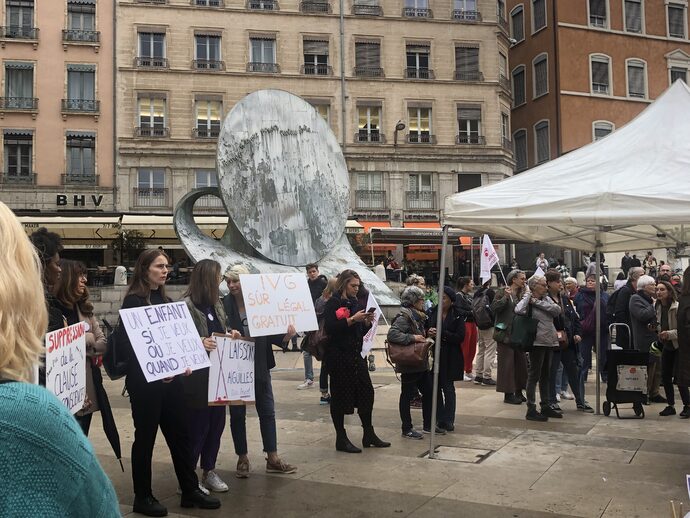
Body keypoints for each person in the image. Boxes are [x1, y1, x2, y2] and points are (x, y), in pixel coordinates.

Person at [0, 202, 120, 517]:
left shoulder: (79, 310)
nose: (58, 268)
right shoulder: (26, 411)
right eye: (54, 262)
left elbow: (99, 343)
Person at [121, 249, 221, 516]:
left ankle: (189, 489)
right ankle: (143, 496)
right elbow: (132, 346)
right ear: (145, 270)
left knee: (181, 435)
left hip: (171, 381)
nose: (165, 271)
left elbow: (173, 341)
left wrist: (182, 361)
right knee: (145, 439)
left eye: (167, 267)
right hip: (145, 384)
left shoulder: (164, 300)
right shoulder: (132, 302)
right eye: (159, 266)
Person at [222, 265, 298, 474]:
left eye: (235, 281)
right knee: (237, 414)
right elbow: (218, 332)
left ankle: (272, 457)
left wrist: (286, 336)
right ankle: (242, 458)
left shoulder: (261, 302)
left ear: (246, 282)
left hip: (260, 364)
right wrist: (228, 334)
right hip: (236, 366)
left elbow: (272, 333)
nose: (231, 285)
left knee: (267, 410)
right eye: (228, 281)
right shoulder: (223, 304)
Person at [324, 269, 389, 452]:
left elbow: (358, 332)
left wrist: (365, 323)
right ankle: (341, 437)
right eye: (353, 285)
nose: (356, 289)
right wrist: (353, 319)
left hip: (355, 356)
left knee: (366, 392)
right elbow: (331, 327)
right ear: (344, 284)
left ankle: (368, 432)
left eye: (358, 286)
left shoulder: (354, 301)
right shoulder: (333, 302)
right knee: (339, 397)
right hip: (338, 357)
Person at [182, 259, 232, 493]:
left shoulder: (217, 304)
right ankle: (188, 477)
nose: (220, 282)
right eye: (218, 278)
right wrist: (199, 342)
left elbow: (223, 328)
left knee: (216, 425)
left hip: (219, 375)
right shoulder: (186, 306)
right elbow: (179, 340)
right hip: (197, 379)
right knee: (197, 426)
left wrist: (231, 333)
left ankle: (209, 470)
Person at [53, 260, 110, 435]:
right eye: (79, 275)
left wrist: (80, 346)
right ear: (67, 279)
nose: (84, 280)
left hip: (85, 392)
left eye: (85, 275)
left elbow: (103, 343)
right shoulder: (50, 311)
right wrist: (83, 339)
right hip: (57, 395)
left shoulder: (85, 311)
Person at [388, 286, 441, 438]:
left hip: (420, 362)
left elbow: (416, 333)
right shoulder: (404, 316)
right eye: (421, 299)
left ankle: (428, 424)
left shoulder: (417, 316)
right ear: (413, 301)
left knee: (429, 392)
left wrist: (425, 333)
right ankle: (406, 428)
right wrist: (412, 338)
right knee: (407, 395)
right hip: (410, 363)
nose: (423, 302)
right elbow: (393, 334)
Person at [515, 275, 562, 421]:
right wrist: (529, 297)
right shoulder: (528, 298)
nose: (546, 287)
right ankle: (531, 407)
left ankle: (545, 405)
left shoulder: (545, 298)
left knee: (546, 374)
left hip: (550, 340)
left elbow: (556, 310)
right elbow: (518, 309)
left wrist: (537, 303)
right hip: (536, 341)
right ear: (534, 286)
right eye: (543, 285)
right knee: (534, 374)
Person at [544, 270, 593, 414]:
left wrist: (578, 333)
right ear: (549, 283)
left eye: (561, 281)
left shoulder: (564, 299)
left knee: (574, 371)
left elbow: (575, 318)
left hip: (569, 342)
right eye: (557, 281)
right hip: (552, 343)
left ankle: (581, 400)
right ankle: (552, 401)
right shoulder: (545, 300)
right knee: (552, 372)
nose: (560, 284)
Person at [427, 287, 465, 430]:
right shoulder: (432, 312)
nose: (441, 301)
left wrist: (442, 333)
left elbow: (460, 337)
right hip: (434, 355)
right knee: (435, 387)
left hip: (451, 355)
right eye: (439, 297)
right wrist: (429, 331)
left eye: (444, 298)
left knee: (448, 388)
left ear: (451, 300)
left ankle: (449, 419)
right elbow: (426, 328)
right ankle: (439, 417)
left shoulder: (457, 315)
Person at [492, 269, 528, 405]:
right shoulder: (502, 292)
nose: (524, 281)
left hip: (519, 333)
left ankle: (519, 390)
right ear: (514, 279)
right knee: (507, 364)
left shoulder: (523, 293)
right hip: (505, 333)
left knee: (521, 363)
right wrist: (505, 298)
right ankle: (508, 393)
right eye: (522, 278)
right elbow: (494, 308)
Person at [629, 275, 666, 404]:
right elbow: (642, 315)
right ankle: (644, 394)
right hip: (643, 340)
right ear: (644, 287)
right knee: (648, 368)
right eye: (652, 284)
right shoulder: (635, 299)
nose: (655, 287)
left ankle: (654, 392)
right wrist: (654, 306)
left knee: (657, 368)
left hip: (654, 339)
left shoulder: (650, 299)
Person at [655, 280, 689, 417]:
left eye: (662, 290)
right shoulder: (657, 307)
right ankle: (671, 405)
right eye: (657, 289)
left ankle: (687, 405)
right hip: (667, 346)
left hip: (679, 345)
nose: (658, 292)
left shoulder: (677, 307)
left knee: (681, 378)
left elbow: (682, 330)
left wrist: (668, 334)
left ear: (669, 292)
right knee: (666, 375)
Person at [574, 274, 610, 389]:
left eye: (593, 281)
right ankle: (583, 375)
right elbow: (577, 308)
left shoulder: (604, 295)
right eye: (588, 281)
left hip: (602, 328)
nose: (590, 283)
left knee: (603, 354)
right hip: (586, 329)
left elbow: (607, 308)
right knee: (584, 353)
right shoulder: (580, 295)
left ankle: (604, 375)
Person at [298, 264, 329, 389]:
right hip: (309, 320)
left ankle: (324, 379)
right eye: (310, 272)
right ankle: (309, 378)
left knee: (324, 350)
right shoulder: (305, 285)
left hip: (321, 321)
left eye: (314, 271)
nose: (312, 274)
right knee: (306, 351)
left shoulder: (323, 284)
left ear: (317, 271)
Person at [313, 277, 337, 404]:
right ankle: (331, 393)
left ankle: (324, 393)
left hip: (321, 335)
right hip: (329, 334)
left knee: (325, 365)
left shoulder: (320, 299)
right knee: (331, 365)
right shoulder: (332, 300)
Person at [613, 266, 644, 350]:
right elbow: (619, 312)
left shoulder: (637, 290)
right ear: (634, 277)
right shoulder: (625, 291)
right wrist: (628, 330)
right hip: (628, 333)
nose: (644, 277)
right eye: (642, 275)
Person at [473, 280, 497, 385]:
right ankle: (487, 377)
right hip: (489, 324)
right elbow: (494, 308)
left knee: (481, 350)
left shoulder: (477, 293)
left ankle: (478, 375)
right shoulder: (490, 293)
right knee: (490, 351)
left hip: (480, 324)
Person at [674, 266, 690, 419]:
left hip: (684, 345)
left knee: (683, 377)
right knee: (683, 378)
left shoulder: (683, 298)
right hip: (686, 345)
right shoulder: (686, 299)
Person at [455, 276, 477, 381]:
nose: (473, 286)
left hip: (472, 323)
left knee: (472, 347)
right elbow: (458, 310)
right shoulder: (459, 296)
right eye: (471, 284)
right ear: (466, 285)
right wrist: (470, 312)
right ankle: (461, 370)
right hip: (465, 323)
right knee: (465, 347)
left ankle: (468, 369)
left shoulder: (468, 296)